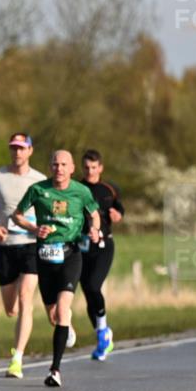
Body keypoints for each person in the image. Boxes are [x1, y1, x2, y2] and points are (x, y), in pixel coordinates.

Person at [13, 150, 100, 387]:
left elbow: (94, 215)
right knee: (53, 315)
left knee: (62, 309)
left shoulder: (81, 191)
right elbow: (16, 215)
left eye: (63, 164)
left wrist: (94, 229)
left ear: (72, 168)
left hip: (71, 255)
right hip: (45, 257)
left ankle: (55, 370)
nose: (59, 168)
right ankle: (66, 324)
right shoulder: (38, 190)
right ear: (50, 167)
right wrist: (34, 229)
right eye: (55, 164)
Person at [0, 132, 47, 378]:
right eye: (13, 148)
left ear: (30, 151)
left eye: (21, 148)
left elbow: (48, 209)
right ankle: (17, 341)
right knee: (11, 308)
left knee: (26, 296)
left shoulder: (40, 180)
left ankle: (17, 358)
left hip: (30, 244)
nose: (17, 152)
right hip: (5, 246)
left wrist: (43, 228)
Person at [79, 149, 124, 361]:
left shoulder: (109, 189)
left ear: (100, 168)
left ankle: (104, 330)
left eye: (94, 167)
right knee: (88, 292)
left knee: (93, 285)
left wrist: (118, 215)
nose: (90, 171)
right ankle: (102, 336)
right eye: (86, 167)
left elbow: (119, 209)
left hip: (104, 246)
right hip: (81, 245)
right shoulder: (75, 188)